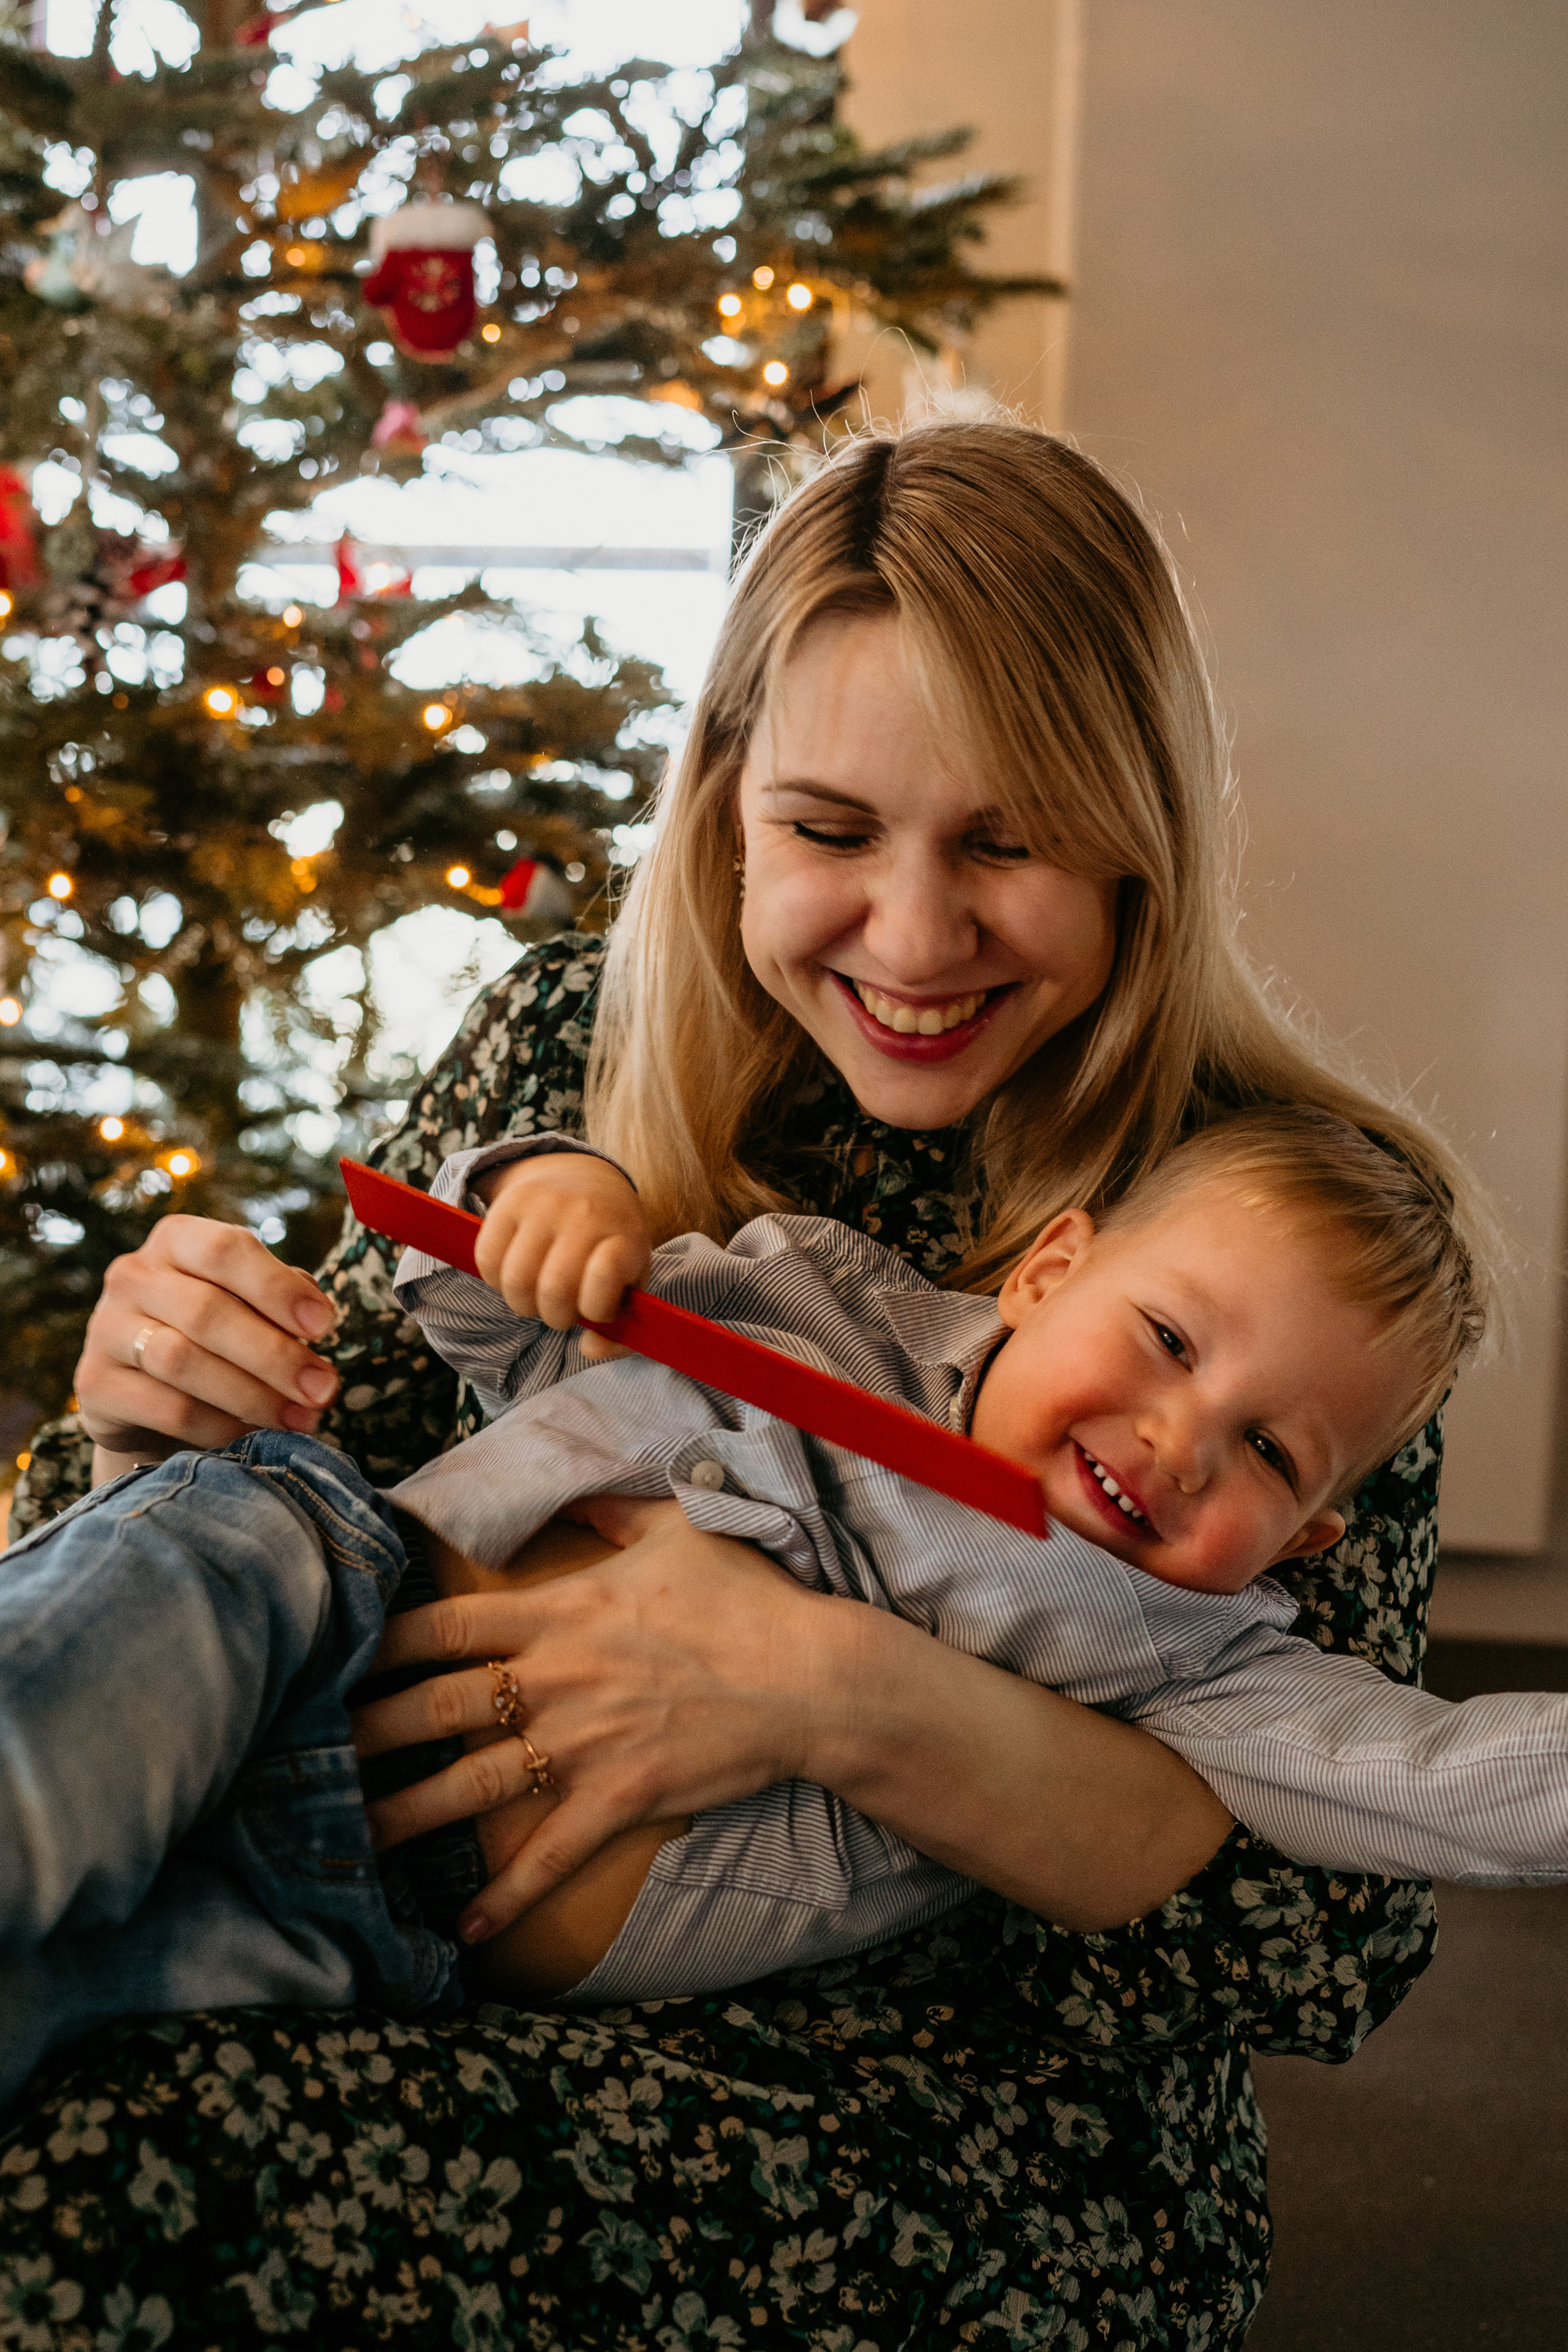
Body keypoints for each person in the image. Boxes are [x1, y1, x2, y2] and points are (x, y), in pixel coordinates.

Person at [0, 422, 1466, 2347]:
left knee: (89, 2188)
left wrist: (823, 1690)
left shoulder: (1286, 1236)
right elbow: (260, 1522)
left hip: (945, 2120)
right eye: (832, 831)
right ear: (727, 809)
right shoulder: (563, 1037)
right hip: (399, 1936)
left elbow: (1323, 1940)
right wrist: (141, 1410)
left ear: (1139, 838)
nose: (917, 939)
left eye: (1008, 842)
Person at [6, 1102, 1559, 2114]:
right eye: (1165, 1338)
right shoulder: (821, 1298)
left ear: (1306, 1535)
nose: (1179, 1439)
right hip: (312, 1584)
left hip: (373, 1937)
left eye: (1269, 1453)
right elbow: (500, 1314)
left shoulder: (1194, 1657)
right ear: (1045, 1274)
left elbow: (1442, 1779)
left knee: (58, 2033)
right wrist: (550, 1195)